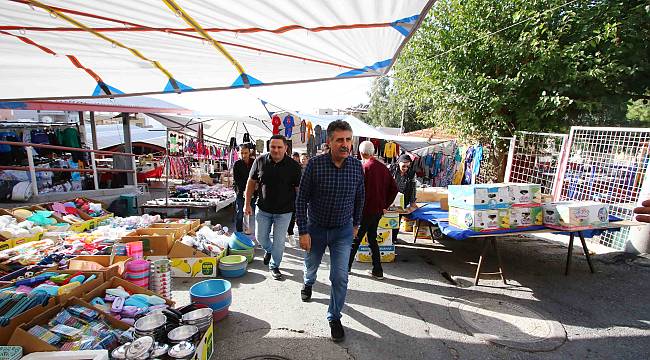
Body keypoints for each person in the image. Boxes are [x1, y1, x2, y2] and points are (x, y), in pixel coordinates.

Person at [296, 120, 365, 342]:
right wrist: (303, 231)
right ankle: (308, 282)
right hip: (316, 228)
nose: (345, 144)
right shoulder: (315, 165)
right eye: (340, 140)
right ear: (330, 141)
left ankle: (334, 317)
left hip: (343, 231)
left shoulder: (356, 167)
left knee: (339, 276)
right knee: (311, 265)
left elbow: (360, 197)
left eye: (348, 139)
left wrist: (356, 225)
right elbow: (301, 200)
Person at [245, 134, 302, 280]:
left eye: (279, 147)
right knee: (260, 238)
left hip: (284, 211)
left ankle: (274, 265)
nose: (276, 150)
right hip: (263, 209)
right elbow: (251, 182)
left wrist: (300, 211)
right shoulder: (260, 161)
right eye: (273, 147)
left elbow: (298, 190)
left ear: (286, 148)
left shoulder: (294, 166)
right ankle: (269, 250)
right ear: (269, 147)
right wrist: (247, 204)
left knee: (279, 241)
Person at [348, 141, 398, 280]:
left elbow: (355, 192)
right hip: (377, 211)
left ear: (361, 153)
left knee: (356, 238)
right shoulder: (383, 168)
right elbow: (394, 189)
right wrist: (385, 205)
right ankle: (377, 270)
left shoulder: (364, 168)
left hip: (364, 210)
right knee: (372, 239)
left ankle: (346, 268)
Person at [390, 153, 418, 243]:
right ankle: (387, 236)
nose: (405, 168)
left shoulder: (411, 173)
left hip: (403, 199)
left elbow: (413, 188)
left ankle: (394, 238)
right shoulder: (391, 169)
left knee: (398, 218)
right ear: (399, 163)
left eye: (407, 166)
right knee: (388, 217)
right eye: (403, 166)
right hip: (390, 198)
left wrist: (412, 202)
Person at [232, 144, 254, 233]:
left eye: (246, 153)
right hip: (241, 192)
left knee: (253, 213)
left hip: (254, 192)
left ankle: (251, 231)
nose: (244, 155)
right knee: (240, 213)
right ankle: (239, 232)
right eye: (242, 153)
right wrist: (244, 190)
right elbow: (237, 180)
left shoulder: (254, 162)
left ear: (250, 152)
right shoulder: (237, 164)